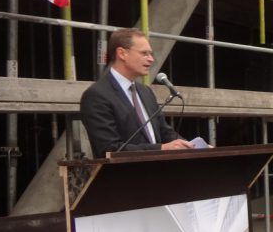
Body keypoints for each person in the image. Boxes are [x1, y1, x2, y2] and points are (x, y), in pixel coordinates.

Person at [80, 28, 192, 158]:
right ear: (122, 53)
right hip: (123, 174)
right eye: (144, 53)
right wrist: (161, 149)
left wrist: (193, 147)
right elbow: (109, 148)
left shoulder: (145, 91)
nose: (151, 59)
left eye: (151, 54)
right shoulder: (97, 95)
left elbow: (164, 132)